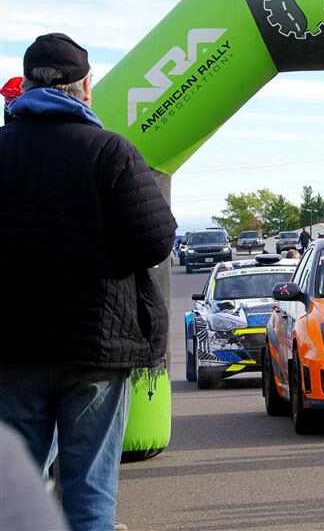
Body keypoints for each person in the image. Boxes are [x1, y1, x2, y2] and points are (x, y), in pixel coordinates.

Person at [0, 33, 177, 530]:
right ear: (84, 87)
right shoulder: (109, 152)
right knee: (89, 491)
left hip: (14, 347)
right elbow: (155, 243)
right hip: (97, 347)